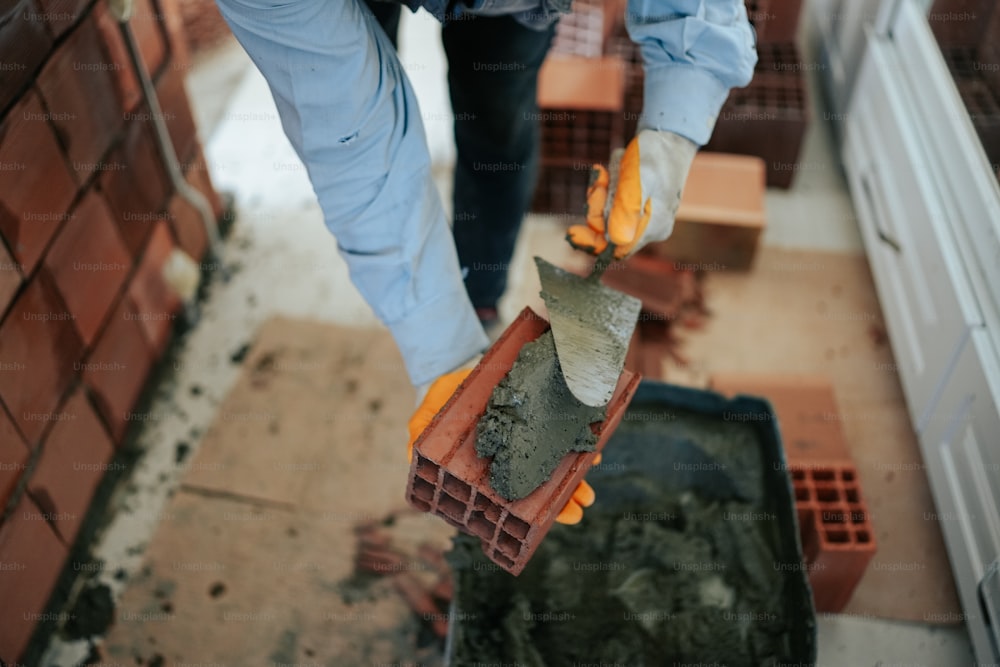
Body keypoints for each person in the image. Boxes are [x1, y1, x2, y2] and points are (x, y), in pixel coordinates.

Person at [214, 0, 757, 522]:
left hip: (511, 9)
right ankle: (460, 319)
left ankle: (480, 299)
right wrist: (439, 342)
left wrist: (673, 130)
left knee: (498, 127)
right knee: (362, 88)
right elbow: (354, 144)